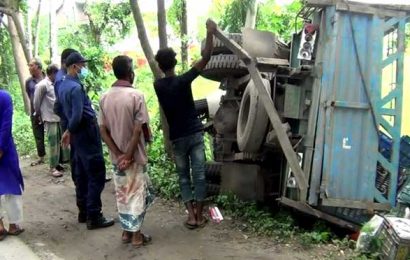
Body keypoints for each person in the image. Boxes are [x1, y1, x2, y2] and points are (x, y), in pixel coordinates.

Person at [153, 19, 216, 229]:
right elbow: (206, 57)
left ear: (160, 66)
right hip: (195, 134)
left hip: (177, 137)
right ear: (175, 62)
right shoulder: (183, 80)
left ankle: (190, 216)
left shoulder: (158, 85)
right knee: (199, 175)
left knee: (183, 177)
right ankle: (199, 216)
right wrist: (210, 32)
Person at [99, 55, 154, 247]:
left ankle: (125, 232)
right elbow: (139, 128)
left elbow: (103, 130)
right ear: (130, 74)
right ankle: (137, 235)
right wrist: (129, 155)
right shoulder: (136, 96)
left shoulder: (104, 97)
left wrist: (118, 154)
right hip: (135, 156)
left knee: (122, 193)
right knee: (137, 194)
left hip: (117, 158)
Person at [58, 52, 114, 230]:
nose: (84, 69)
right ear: (74, 67)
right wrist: (69, 130)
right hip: (85, 132)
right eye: (82, 66)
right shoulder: (75, 88)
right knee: (95, 172)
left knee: (81, 173)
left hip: (76, 135)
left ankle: (83, 211)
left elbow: (58, 108)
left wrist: (67, 129)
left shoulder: (62, 85)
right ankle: (94, 215)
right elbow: (77, 115)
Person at [33, 64, 69, 178]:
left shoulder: (56, 84)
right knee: (53, 143)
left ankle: (58, 163)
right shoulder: (42, 85)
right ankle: (52, 167)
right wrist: (38, 114)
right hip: (49, 117)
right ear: (52, 73)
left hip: (58, 117)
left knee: (60, 142)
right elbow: (36, 102)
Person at [0, 89, 25, 241]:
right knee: (10, 185)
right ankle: (13, 225)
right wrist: (1, 147)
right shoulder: (4, 97)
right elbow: (6, 125)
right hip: (5, 149)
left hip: (4, 148)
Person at [26, 58, 45, 166]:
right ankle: (41, 156)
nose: (29, 67)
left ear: (37, 67)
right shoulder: (28, 82)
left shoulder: (48, 77)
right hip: (35, 111)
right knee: (38, 134)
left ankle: (59, 157)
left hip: (48, 111)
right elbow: (30, 95)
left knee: (54, 132)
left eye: (31, 65)